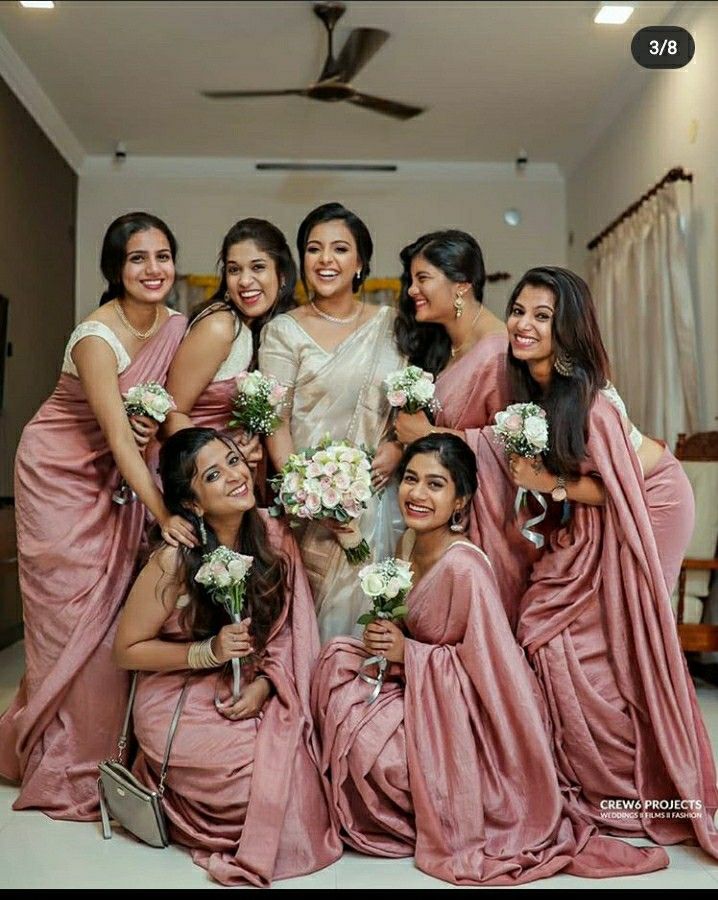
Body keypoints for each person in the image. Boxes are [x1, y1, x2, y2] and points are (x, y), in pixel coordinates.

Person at [311, 434, 667, 885]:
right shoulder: (407, 546)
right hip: (424, 690)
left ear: (461, 500)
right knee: (337, 663)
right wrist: (391, 630)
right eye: (411, 480)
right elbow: (405, 612)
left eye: (435, 485)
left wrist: (411, 654)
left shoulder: (465, 567)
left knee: (379, 750)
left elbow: (494, 674)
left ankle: (426, 806)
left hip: (471, 719)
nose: (417, 494)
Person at [487, 265, 718, 856]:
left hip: (653, 502)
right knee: (548, 618)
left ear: (567, 330)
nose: (524, 325)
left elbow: (618, 485)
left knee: (624, 638)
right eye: (519, 311)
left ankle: (641, 787)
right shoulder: (529, 387)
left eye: (543, 316)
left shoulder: (586, 398)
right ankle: (583, 767)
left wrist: (550, 484)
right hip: (598, 509)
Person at [0, 212, 193, 820]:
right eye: (138, 258)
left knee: (112, 621)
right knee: (68, 620)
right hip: (60, 479)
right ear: (116, 269)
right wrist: (164, 514)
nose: (153, 270)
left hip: (122, 481)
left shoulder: (177, 327)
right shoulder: (94, 336)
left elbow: (175, 410)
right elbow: (115, 436)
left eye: (163, 257)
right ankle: (61, 764)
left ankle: (103, 753)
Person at [113, 427, 341, 887]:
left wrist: (266, 684)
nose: (237, 476)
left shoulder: (274, 536)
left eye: (234, 461)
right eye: (214, 475)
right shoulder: (174, 561)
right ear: (193, 503)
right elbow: (126, 651)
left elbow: (287, 631)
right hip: (179, 690)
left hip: (250, 679)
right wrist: (208, 651)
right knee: (251, 785)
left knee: (297, 770)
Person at [260, 202, 404, 642]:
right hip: (311, 515)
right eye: (314, 249)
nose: (325, 260)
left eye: (340, 249)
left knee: (378, 620)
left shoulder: (393, 324)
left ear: (360, 262)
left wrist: (397, 448)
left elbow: (409, 404)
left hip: (382, 502)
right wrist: (310, 497)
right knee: (317, 631)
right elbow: (275, 422)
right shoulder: (284, 330)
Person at [163, 219, 297, 494]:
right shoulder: (220, 326)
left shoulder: (266, 332)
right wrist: (225, 459)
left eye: (258, 267)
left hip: (229, 485)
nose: (245, 281)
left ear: (281, 275)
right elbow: (172, 414)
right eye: (234, 270)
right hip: (194, 481)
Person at [393, 229, 509, 447]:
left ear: (462, 284)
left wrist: (428, 434)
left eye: (422, 278)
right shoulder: (447, 343)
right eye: (411, 280)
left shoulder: (497, 354)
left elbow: (508, 447)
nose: (411, 290)